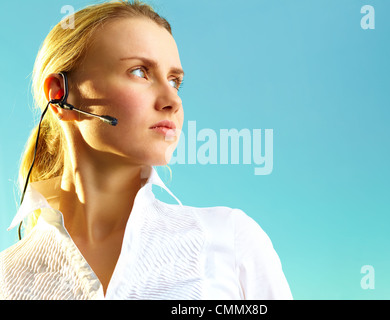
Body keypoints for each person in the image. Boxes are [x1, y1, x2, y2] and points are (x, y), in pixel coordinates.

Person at [0, 0, 292, 299]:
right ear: (60, 95)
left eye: (175, 81)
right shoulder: (5, 277)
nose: (172, 100)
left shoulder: (230, 240)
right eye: (140, 72)